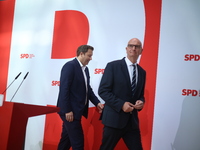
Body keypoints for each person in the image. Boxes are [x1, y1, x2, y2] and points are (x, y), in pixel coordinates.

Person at [98, 38, 146, 150]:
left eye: (137, 46)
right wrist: (121, 104)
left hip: (132, 122)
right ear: (126, 49)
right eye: (131, 45)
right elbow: (103, 91)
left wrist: (141, 102)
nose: (133, 48)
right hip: (114, 119)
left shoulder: (142, 72)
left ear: (141, 50)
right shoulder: (113, 66)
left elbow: (140, 95)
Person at [57, 45, 104, 150]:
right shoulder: (70, 66)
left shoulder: (85, 69)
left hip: (76, 111)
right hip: (70, 112)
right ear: (81, 54)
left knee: (66, 140)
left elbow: (88, 89)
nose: (91, 58)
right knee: (78, 143)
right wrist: (67, 110)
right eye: (89, 56)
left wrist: (97, 103)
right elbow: (64, 89)